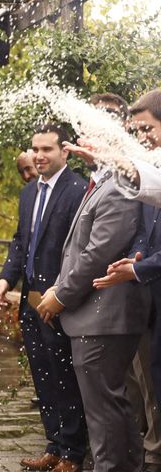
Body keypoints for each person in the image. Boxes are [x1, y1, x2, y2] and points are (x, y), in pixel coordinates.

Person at [36, 141, 149, 470]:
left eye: (88, 137)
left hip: (104, 316)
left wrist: (60, 294)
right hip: (95, 316)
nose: (81, 144)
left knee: (103, 413)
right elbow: (78, 249)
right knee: (111, 407)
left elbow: (97, 255)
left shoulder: (119, 186)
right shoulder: (104, 180)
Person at [0, 123, 87, 472]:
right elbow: (20, 242)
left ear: (65, 150)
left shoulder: (78, 191)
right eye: (35, 149)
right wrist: (4, 279)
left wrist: (61, 290)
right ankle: (54, 444)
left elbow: (80, 250)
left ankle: (73, 453)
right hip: (29, 300)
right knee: (43, 374)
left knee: (65, 375)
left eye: (46, 149)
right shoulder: (29, 193)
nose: (39, 156)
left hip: (59, 299)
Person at [89, 91, 161, 472]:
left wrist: (139, 269)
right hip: (141, 299)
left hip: (148, 291)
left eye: (148, 128)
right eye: (139, 129)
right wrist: (134, 260)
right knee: (140, 390)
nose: (143, 136)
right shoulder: (148, 168)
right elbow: (142, 228)